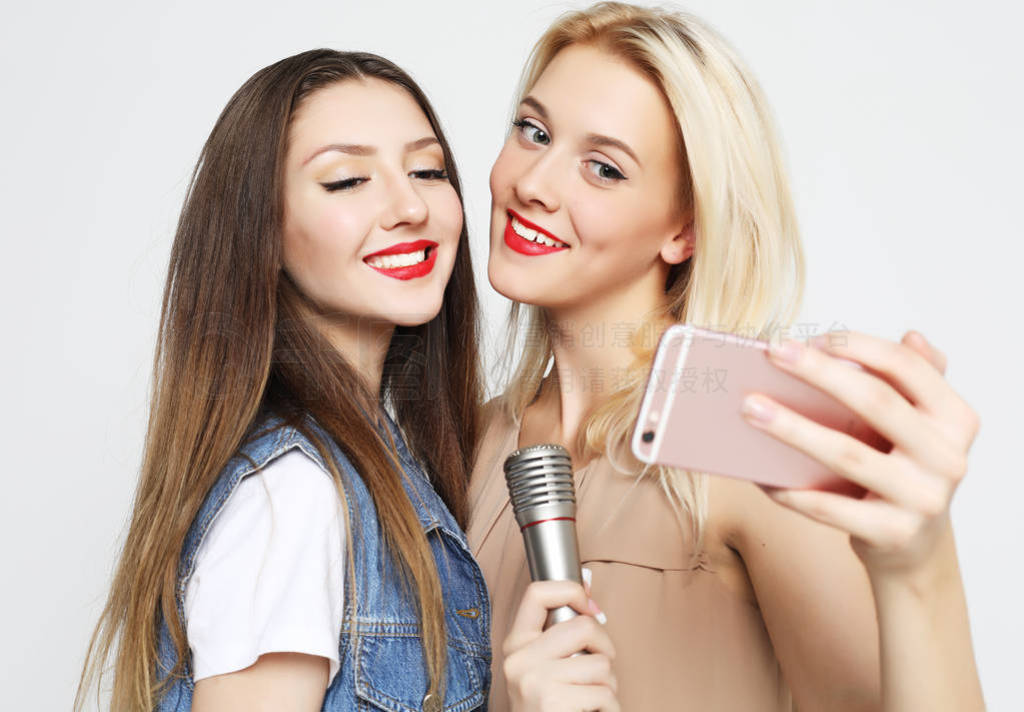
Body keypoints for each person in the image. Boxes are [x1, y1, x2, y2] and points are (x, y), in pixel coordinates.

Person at [468, 3, 984, 711]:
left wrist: (922, 563)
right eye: (533, 132)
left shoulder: (746, 442)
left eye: (603, 168)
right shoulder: (470, 442)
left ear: (683, 229)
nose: (534, 183)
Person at [75, 49, 500, 712]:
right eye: (346, 181)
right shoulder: (292, 495)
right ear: (264, 233)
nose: (410, 205)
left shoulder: (380, 463)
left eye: (427, 169)